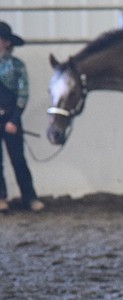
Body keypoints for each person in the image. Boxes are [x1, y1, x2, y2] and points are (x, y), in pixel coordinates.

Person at [0, 21, 43, 213]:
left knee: (18, 159)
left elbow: (22, 93)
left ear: (7, 42)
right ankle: (1, 197)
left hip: (10, 118)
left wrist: (14, 119)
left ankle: (29, 196)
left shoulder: (16, 66)